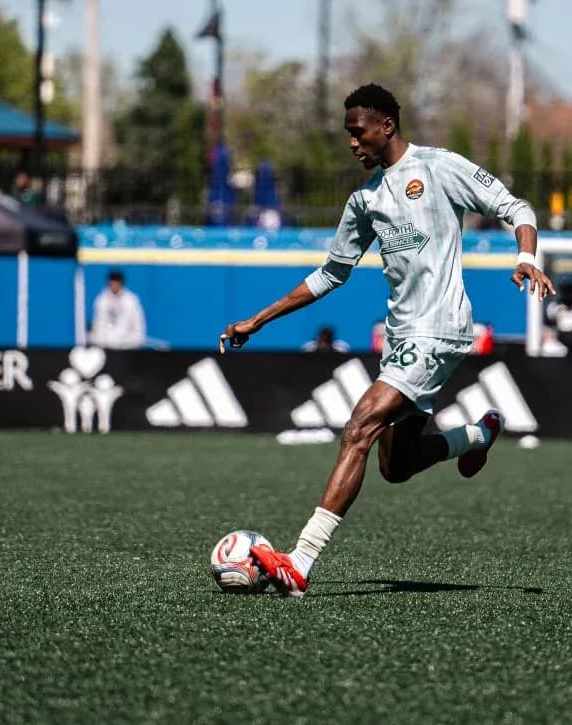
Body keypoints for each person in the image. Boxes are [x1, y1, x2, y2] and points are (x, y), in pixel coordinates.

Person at [220, 83, 554, 597]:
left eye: (358, 133)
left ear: (386, 126)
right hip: (401, 340)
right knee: (396, 465)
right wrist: (258, 319)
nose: (353, 144)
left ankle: (300, 564)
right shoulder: (364, 200)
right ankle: (479, 434)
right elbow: (330, 274)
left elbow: (519, 208)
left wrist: (527, 258)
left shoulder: (438, 167)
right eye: (348, 135)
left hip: (440, 329)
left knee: (358, 428)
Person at [90, 270, 146, 350]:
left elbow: (139, 327)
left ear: (121, 284)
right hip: (106, 346)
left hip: (127, 346)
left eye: (117, 283)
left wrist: (130, 342)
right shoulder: (101, 300)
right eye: (112, 283)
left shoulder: (131, 301)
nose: (114, 286)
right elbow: (98, 325)